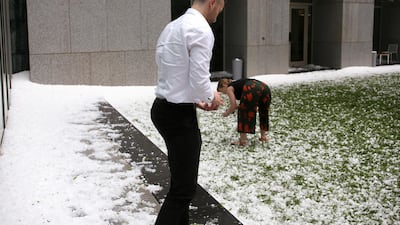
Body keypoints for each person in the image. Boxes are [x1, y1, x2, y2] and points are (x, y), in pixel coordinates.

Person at [150, 0, 225, 224]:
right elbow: (200, 77)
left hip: (163, 109)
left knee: (180, 185)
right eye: (221, 6)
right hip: (178, 117)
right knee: (183, 191)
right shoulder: (201, 29)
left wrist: (194, 100)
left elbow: (175, 74)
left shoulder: (172, 26)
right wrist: (213, 97)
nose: (220, 11)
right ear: (213, 2)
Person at [217, 78, 272, 146]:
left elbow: (233, 105)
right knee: (263, 112)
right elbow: (247, 103)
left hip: (251, 87)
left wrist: (226, 113)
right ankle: (263, 137)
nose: (225, 94)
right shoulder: (238, 84)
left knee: (243, 113)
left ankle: (243, 141)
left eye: (222, 92)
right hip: (264, 88)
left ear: (223, 85)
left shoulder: (229, 88)